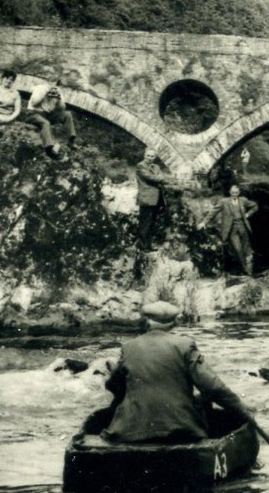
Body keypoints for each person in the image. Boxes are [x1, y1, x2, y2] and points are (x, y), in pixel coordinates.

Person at [101, 299, 255, 443]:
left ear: (146, 322)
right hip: (181, 430)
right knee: (205, 400)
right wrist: (242, 409)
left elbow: (113, 385)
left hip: (130, 430)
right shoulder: (185, 345)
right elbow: (212, 386)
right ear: (173, 324)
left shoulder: (128, 347)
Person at [213, 184, 259, 275]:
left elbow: (255, 206)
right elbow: (213, 212)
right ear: (230, 192)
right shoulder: (224, 202)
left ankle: (249, 270)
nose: (235, 194)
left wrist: (248, 214)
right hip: (231, 229)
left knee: (246, 249)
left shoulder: (243, 200)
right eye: (233, 192)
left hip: (243, 226)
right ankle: (246, 269)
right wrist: (203, 222)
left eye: (236, 192)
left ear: (239, 193)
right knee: (238, 249)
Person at [135, 147, 174, 250]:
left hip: (157, 199)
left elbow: (161, 176)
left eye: (152, 156)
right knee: (145, 223)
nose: (150, 158)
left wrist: (161, 177)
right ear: (144, 156)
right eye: (148, 156)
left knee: (152, 223)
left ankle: (148, 245)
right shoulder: (140, 166)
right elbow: (152, 178)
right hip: (147, 199)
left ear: (155, 157)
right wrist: (162, 178)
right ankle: (143, 246)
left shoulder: (156, 167)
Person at [23, 85, 76, 158]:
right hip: (34, 113)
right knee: (46, 123)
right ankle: (48, 149)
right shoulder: (40, 88)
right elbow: (33, 103)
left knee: (67, 114)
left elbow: (62, 108)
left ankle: (71, 140)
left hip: (47, 115)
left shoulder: (57, 90)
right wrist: (45, 92)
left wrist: (59, 99)